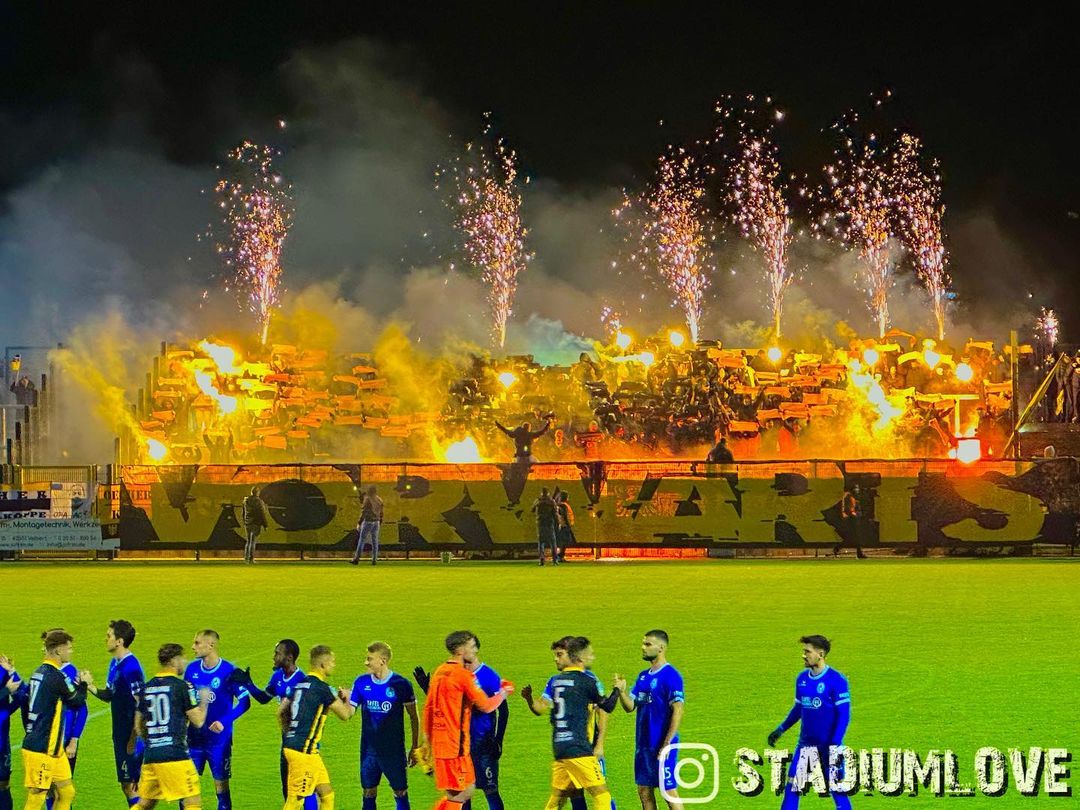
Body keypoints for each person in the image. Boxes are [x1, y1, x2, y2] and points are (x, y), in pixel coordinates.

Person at [521, 637, 619, 810]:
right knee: (601, 794)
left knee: (561, 796)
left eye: (559, 655)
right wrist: (618, 689)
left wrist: (599, 745)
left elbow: (601, 713)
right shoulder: (586, 680)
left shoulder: (556, 681)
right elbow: (606, 707)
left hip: (562, 746)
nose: (556, 659)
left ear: (570, 655)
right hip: (581, 746)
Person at [422, 631, 513, 810]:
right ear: (460, 650)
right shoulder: (463, 675)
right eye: (471, 646)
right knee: (462, 793)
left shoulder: (440, 671)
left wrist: (426, 740)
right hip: (457, 748)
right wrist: (504, 692)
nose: (475, 650)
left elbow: (429, 708)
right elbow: (486, 706)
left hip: (445, 745)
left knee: (461, 792)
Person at [228, 640, 317, 810]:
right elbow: (264, 698)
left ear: (289, 657)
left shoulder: (301, 680)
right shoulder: (277, 677)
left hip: (302, 744)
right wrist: (248, 683)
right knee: (287, 789)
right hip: (287, 742)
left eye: (277, 653)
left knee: (304, 789)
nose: (273, 657)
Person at [767, 635, 852, 810]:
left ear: (820, 654)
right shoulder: (802, 679)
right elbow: (799, 709)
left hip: (829, 746)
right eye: (804, 651)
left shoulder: (837, 680)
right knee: (792, 787)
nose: (804, 655)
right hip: (805, 746)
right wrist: (780, 729)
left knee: (837, 789)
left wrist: (835, 744)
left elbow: (843, 716)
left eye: (807, 652)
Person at [612, 630, 685, 810]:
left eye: (647, 644)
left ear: (661, 648)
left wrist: (667, 743)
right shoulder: (643, 676)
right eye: (643, 643)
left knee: (668, 791)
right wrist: (621, 692)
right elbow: (630, 706)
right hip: (643, 745)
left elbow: (678, 710)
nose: (642, 647)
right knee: (644, 791)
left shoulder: (671, 675)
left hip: (662, 744)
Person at [344, 642, 420, 810]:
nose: (366, 662)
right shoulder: (361, 682)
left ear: (383, 661)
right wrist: (341, 699)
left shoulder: (401, 684)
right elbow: (348, 713)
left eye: (369, 659)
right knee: (368, 792)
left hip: (393, 751)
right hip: (369, 751)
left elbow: (414, 717)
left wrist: (415, 746)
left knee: (400, 792)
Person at [135, 643, 211, 809]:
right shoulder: (182, 686)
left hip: (151, 755)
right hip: (175, 755)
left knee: (145, 804)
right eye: (182, 658)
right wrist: (204, 701)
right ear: (173, 661)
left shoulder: (146, 688)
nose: (184, 662)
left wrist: (154, 742)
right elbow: (198, 721)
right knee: (192, 802)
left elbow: (138, 725)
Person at [21, 629, 88, 810]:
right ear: (59, 650)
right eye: (69, 648)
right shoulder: (56, 676)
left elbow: (25, 705)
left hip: (54, 750)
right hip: (42, 749)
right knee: (37, 796)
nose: (71, 651)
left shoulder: (38, 672)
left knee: (66, 792)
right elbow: (77, 700)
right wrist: (84, 683)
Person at [80, 619, 145, 806]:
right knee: (127, 785)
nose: (105, 639)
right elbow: (110, 695)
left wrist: (133, 738)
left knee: (133, 785)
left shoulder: (131, 668)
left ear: (119, 641)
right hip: (120, 734)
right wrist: (89, 685)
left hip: (131, 737)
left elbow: (142, 704)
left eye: (109, 636)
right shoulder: (114, 663)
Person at [185, 630, 251, 810]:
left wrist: (224, 721)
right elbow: (185, 702)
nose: (193, 647)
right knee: (187, 791)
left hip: (219, 742)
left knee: (221, 790)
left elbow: (245, 702)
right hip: (193, 740)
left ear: (211, 645)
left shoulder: (229, 671)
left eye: (197, 643)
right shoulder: (191, 670)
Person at [280, 645, 352, 809]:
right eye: (332, 661)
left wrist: (290, 733)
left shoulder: (300, 684)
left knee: (327, 795)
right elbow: (345, 714)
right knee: (295, 801)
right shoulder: (323, 689)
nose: (334, 665)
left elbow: (281, 711)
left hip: (307, 751)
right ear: (323, 664)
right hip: (303, 753)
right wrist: (347, 697)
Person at [39, 630, 86, 810]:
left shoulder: (68, 673)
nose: (43, 649)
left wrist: (74, 740)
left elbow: (82, 709)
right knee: (50, 790)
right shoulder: (49, 671)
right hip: (48, 741)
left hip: (63, 741)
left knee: (61, 791)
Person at [0, 654, 29, 810]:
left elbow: (22, 694)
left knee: (3, 785)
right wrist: (6, 690)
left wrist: (11, 670)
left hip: (2, 739)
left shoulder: (2, 670)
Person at [350, 486, 384, 566]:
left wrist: (359, 522)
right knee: (375, 541)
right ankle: (374, 560)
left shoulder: (367, 499)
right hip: (376, 522)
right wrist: (380, 521)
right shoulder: (379, 500)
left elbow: (364, 512)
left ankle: (356, 559)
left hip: (368, 521)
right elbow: (381, 512)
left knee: (362, 540)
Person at [833, 486, 866, 559]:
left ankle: (838, 548)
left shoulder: (854, 499)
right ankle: (859, 553)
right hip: (851, 520)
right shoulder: (848, 497)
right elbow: (848, 509)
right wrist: (853, 514)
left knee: (853, 538)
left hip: (854, 519)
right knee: (854, 538)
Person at [242, 487, 271, 564]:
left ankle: (246, 558)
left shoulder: (246, 501)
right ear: (258, 493)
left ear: (251, 492)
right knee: (253, 541)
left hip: (248, 523)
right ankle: (251, 559)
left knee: (248, 541)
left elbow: (243, 512)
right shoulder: (259, 501)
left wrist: (244, 521)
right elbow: (261, 514)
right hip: (255, 523)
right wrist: (265, 525)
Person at [532, 488, 559, 566]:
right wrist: (558, 523)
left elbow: (532, 509)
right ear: (548, 493)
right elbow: (555, 513)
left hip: (540, 523)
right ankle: (555, 560)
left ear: (541, 493)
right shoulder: (551, 501)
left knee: (541, 543)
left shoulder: (538, 501)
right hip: (549, 523)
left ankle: (541, 560)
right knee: (553, 542)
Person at [555, 492, 576, 560]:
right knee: (564, 542)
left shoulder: (560, 505)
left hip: (562, 525)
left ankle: (560, 555)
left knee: (563, 542)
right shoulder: (563, 506)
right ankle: (560, 556)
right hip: (564, 525)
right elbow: (565, 516)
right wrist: (568, 525)